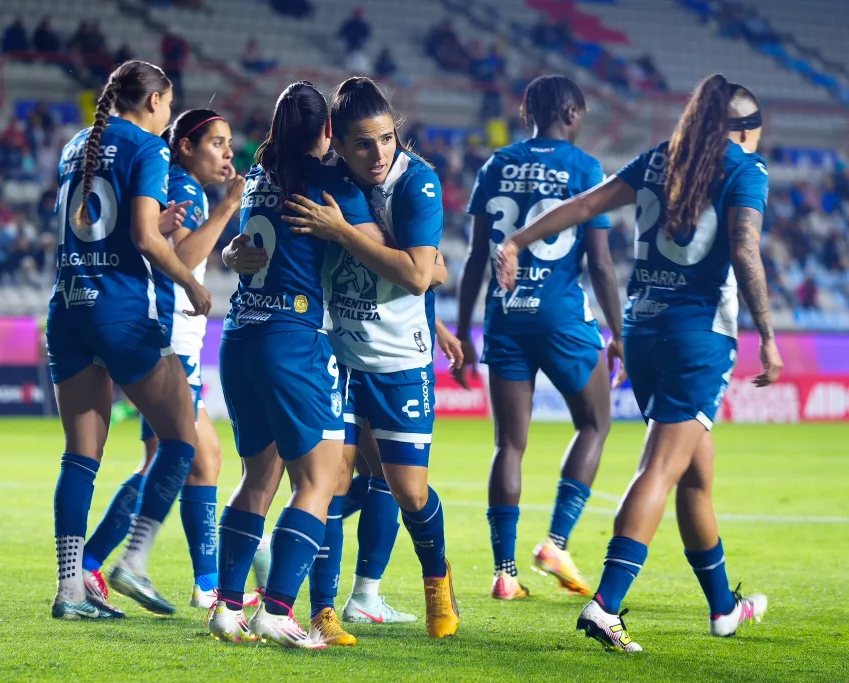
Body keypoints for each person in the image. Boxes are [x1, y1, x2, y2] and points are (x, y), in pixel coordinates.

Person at [495, 74, 780, 652]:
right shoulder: (745, 170)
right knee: (660, 469)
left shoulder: (659, 159)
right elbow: (746, 250)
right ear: (746, 131)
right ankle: (606, 606)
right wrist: (768, 337)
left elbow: (586, 204)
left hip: (643, 332)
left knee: (695, 475)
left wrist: (518, 241)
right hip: (698, 337)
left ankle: (724, 608)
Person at [280, 76, 459, 639]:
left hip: (401, 361)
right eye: (363, 143)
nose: (378, 154)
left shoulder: (419, 183)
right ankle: (323, 611)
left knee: (409, 491)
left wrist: (343, 232)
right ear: (337, 141)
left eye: (386, 139)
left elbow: (413, 277)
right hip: (339, 355)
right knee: (329, 483)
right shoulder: (327, 180)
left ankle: (437, 579)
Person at [206, 81, 378, 649]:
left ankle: (228, 606)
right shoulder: (331, 185)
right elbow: (380, 253)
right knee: (320, 480)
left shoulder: (258, 178)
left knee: (258, 477)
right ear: (329, 132)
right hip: (291, 337)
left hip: (239, 336)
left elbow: (238, 249)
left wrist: (231, 253)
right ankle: (277, 609)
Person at [45, 59, 211, 620]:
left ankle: (70, 590)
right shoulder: (149, 147)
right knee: (181, 440)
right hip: (122, 313)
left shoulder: (76, 146)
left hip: (68, 307)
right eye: (168, 101)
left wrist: (152, 229)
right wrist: (190, 279)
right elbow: (143, 236)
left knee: (80, 457)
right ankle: (134, 559)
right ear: (157, 100)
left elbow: (97, 225)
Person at [454, 75, 622, 602]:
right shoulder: (584, 168)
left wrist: (463, 331)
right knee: (595, 423)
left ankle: (505, 573)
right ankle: (555, 542)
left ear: (527, 112)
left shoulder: (496, 165)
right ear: (571, 112)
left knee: (509, 444)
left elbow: (478, 258)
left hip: (505, 317)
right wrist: (619, 333)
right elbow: (598, 262)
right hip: (562, 318)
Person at [80, 109, 249, 613]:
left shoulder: (181, 186)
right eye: (216, 143)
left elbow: (183, 251)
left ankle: (203, 582)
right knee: (179, 459)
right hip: (170, 338)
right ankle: (98, 565)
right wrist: (227, 210)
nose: (226, 153)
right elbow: (179, 257)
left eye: (229, 143)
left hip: (176, 338)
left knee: (200, 461)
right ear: (185, 148)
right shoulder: (185, 188)